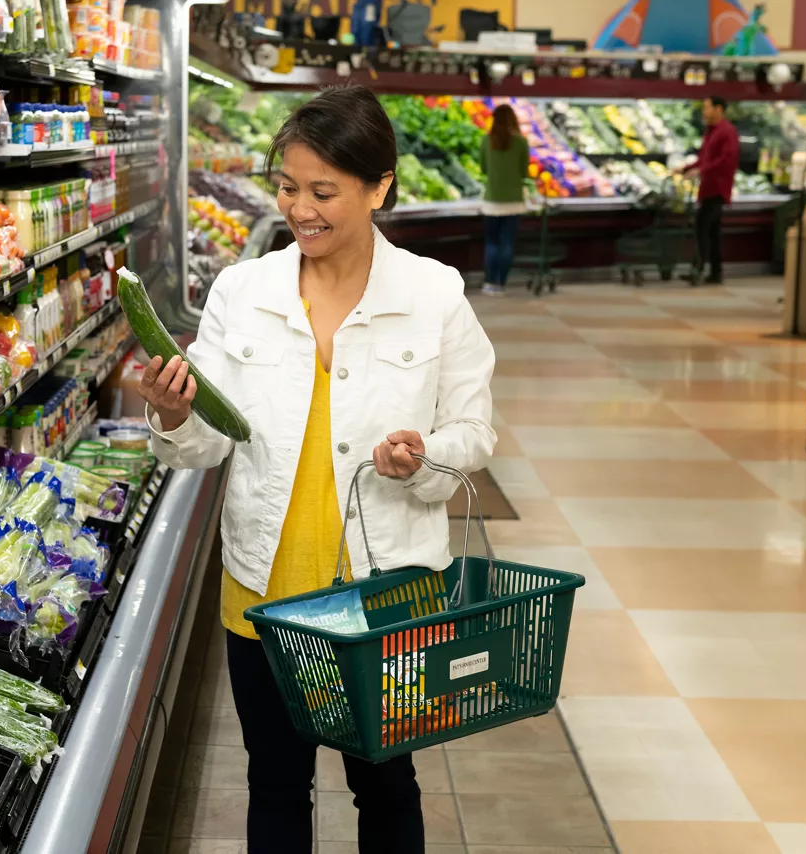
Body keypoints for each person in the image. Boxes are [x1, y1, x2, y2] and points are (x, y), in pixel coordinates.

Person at [138, 86, 497, 854]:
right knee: (274, 782)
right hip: (265, 588)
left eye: (324, 191)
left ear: (379, 188)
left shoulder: (433, 296)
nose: (302, 210)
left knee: (386, 782)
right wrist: (172, 415)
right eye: (289, 188)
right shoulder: (244, 291)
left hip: (384, 590)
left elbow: (473, 434)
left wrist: (422, 457)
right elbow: (208, 441)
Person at [682, 95, 739, 285]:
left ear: (719, 110)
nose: (704, 112)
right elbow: (704, 158)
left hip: (718, 189)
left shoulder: (727, 132)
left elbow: (725, 160)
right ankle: (716, 272)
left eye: (707, 108)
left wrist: (701, 170)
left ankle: (697, 268)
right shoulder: (711, 132)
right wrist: (687, 168)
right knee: (713, 232)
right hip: (707, 188)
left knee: (702, 228)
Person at [478, 102, 530, 296]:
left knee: (491, 241)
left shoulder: (487, 140)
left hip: (492, 200)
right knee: (507, 242)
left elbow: (483, 168)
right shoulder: (521, 142)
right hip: (514, 200)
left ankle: (490, 282)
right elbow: (524, 172)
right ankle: (501, 282)